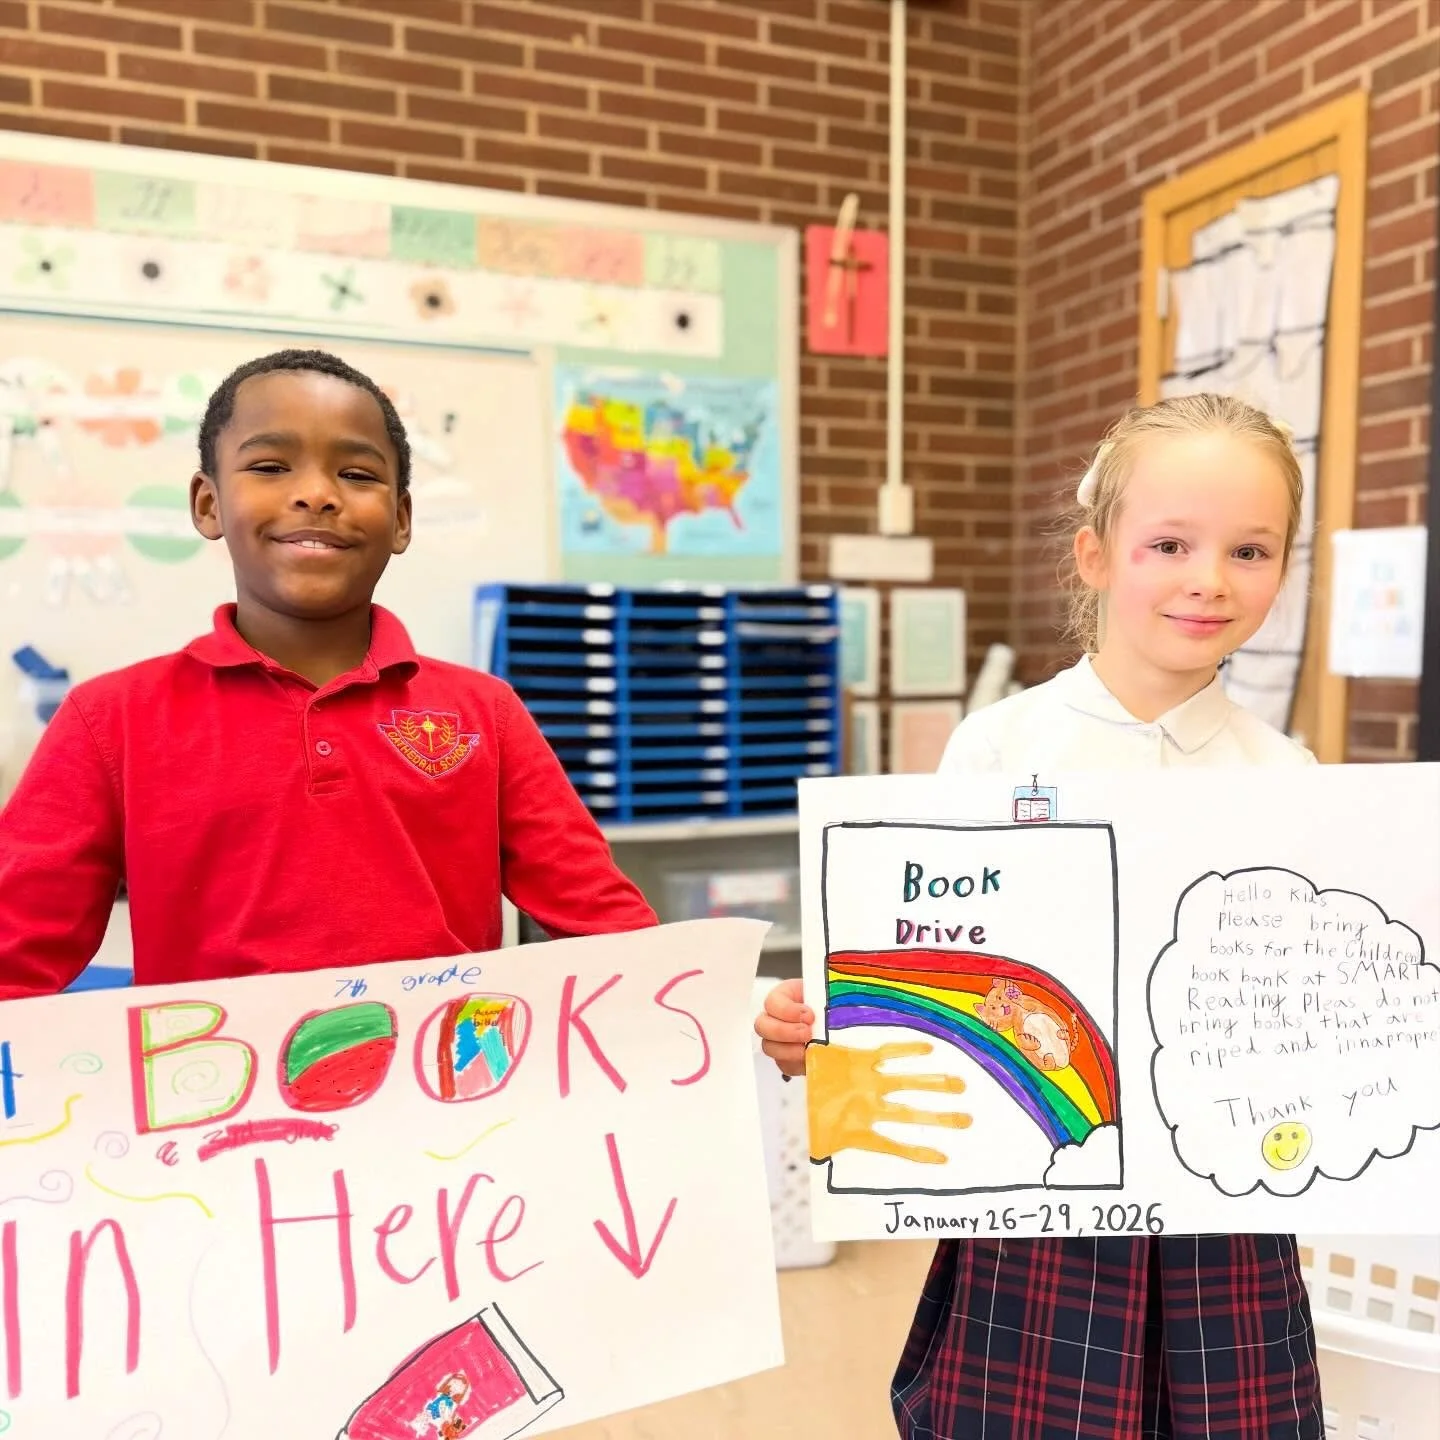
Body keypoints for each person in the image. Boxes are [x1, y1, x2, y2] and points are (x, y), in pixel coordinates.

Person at [756, 392, 1323, 1439]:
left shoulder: (1288, 775)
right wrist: (828, 1042)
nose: (1209, 579)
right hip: (1031, 1208)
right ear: (1096, 555)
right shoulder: (998, 746)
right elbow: (929, 973)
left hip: (1223, 1224)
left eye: (1251, 550)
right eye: (1169, 543)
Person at [0, 349, 655, 999]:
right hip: (214, 1090)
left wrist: (723, 1011)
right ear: (208, 504)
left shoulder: (486, 711)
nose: (316, 492)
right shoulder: (109, 719)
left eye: (356, 473)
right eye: (269, 466)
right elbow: (15, 959)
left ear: (400, 519)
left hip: (451, 1088)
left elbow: (609, 929)